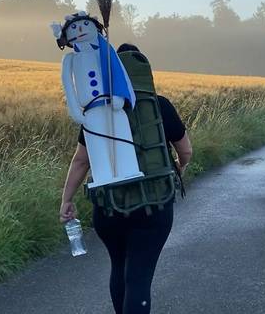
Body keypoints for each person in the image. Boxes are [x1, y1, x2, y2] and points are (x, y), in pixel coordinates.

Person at [59, 43, 193, 314]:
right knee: (139, 277)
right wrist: (180, 167)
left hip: (109, 208)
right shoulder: (160, 105)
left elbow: (81, 160)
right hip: (153, 206)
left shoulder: (96, 111)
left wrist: (67, 199)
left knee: (119, 267)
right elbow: (186, 149)